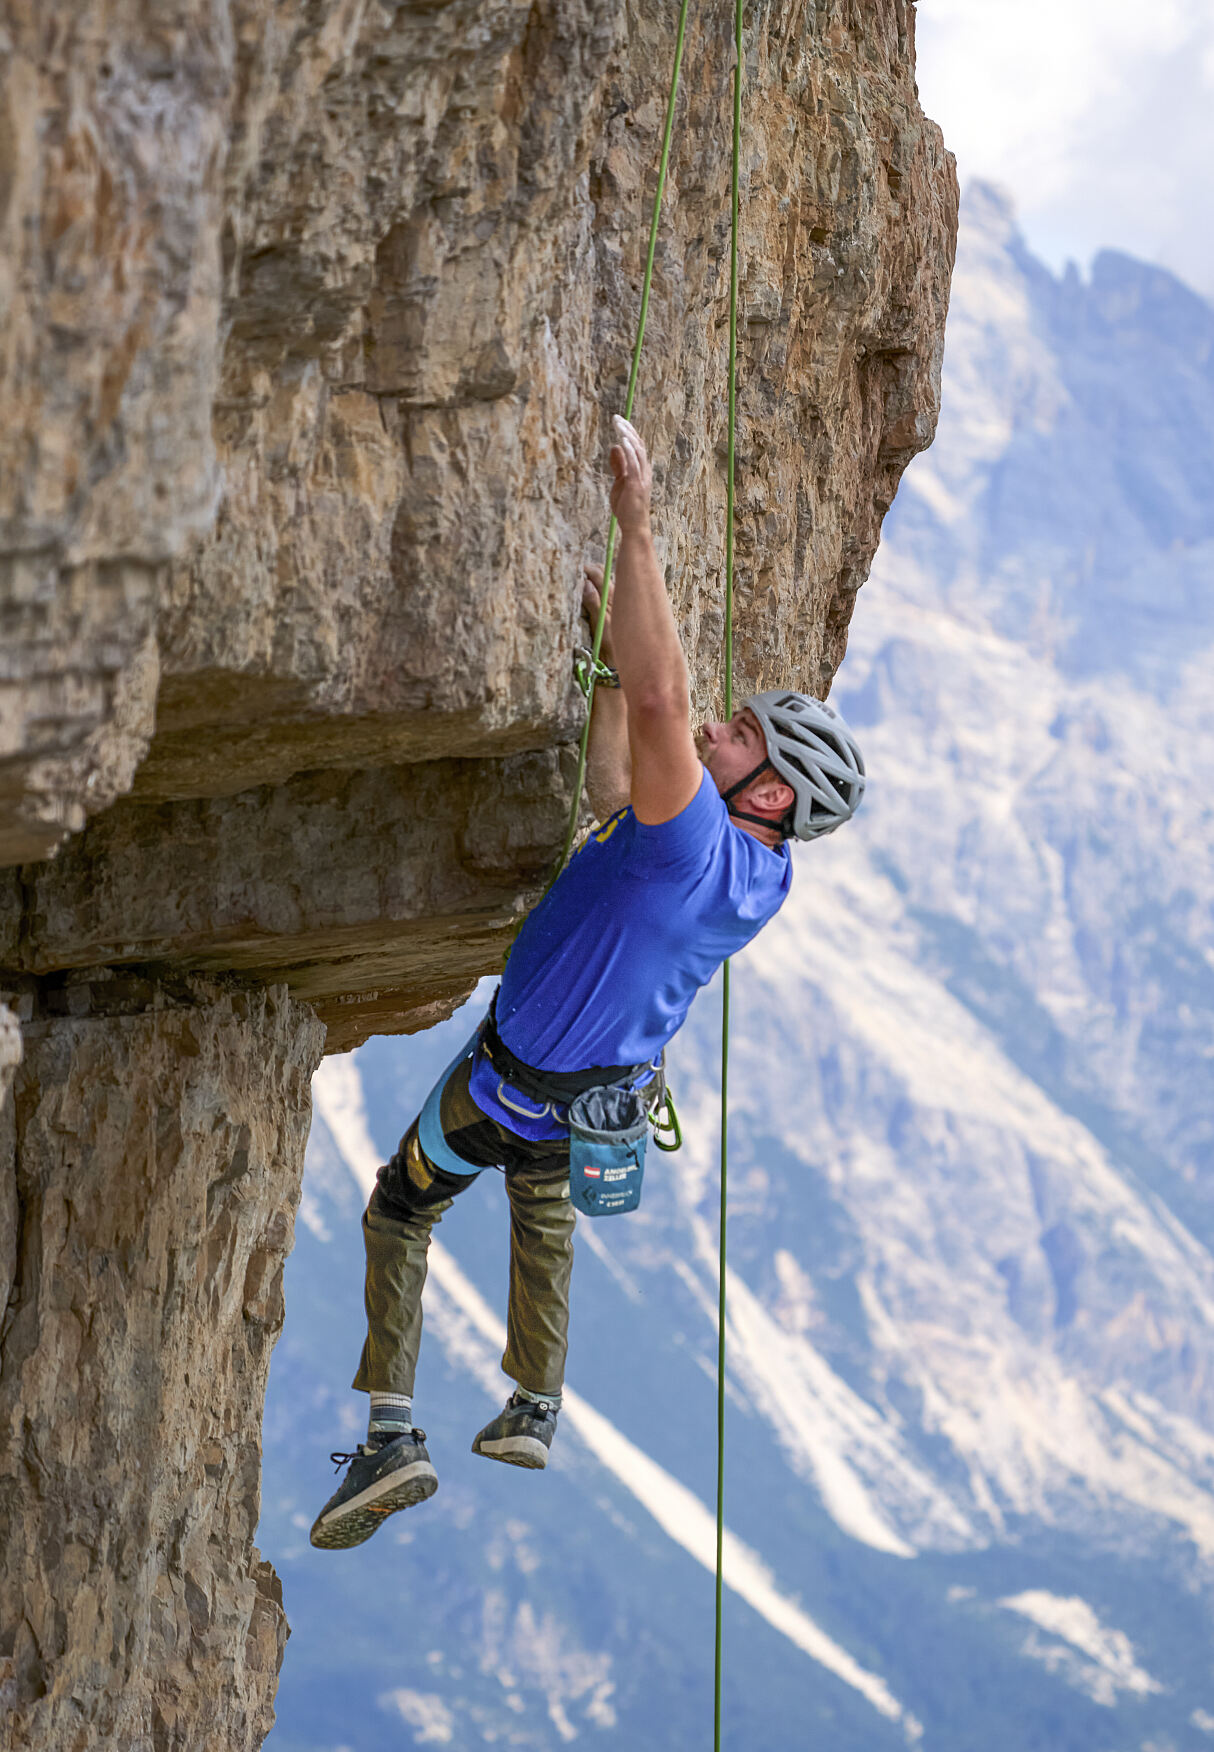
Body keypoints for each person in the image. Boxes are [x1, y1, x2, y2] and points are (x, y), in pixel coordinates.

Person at [310, 416, 865, 1550]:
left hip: (513, 1081)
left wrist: (637, 522)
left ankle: (389, 1433)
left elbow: (664, 710)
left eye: (743, 733)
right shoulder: (746, 873)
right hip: (591, 1101)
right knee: (540, 1215)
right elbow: (622, 774)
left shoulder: (694, 847)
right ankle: (533, 1403)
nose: (720, 723)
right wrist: (606, 668)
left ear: (766, 794)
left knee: (401, 1201)